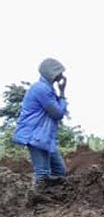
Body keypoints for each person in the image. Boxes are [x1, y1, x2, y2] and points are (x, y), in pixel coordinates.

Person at [13, 58, 68, 187]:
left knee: (60, 171)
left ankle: (55, 201)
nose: (62, 76)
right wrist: (62, 93)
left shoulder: (47, 89)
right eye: (59, 72)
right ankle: (37, 203)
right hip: (36, 135)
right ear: (52, 73)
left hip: (45, 137)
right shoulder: (41, 89)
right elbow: (58, 113)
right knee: (42, 174)